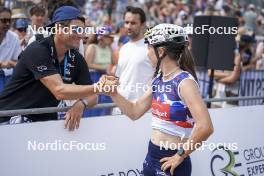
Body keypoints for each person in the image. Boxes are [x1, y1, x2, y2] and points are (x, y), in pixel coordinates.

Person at [99, 24, 214, 175]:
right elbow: (135, 111)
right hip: (152, 155)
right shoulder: (158, 79)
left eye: (148, 48)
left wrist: (181, 155)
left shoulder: (185, 82)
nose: (147, 54)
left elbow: (206, 127)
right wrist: (113, 93)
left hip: (172, 161)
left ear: (160, 51)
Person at [0, 6, 99, 131]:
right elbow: (59, 91)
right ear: (58, 28)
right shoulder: (37, 49)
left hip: (42, 124)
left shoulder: (76, 58)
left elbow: (93, 97)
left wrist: (82, 103)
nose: (81, 35)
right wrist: (99, 87)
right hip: (9, 120)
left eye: (83, 30)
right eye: (76, 29)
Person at [115, 6, 154, 103]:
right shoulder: (124, 48)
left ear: (143, 25)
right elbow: (120, 78)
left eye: (133, 23)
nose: (128, 26)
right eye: (126, 22)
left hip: (142, 109)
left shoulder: (152, 48)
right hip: (121, 106)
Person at [0, 6, 22, 76]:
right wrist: (2, 64)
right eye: (4, 20)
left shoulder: (14, 37)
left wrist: (11, 63)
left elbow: (19, 62)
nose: (7, 23)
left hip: (6, 77)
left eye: (9, 20)